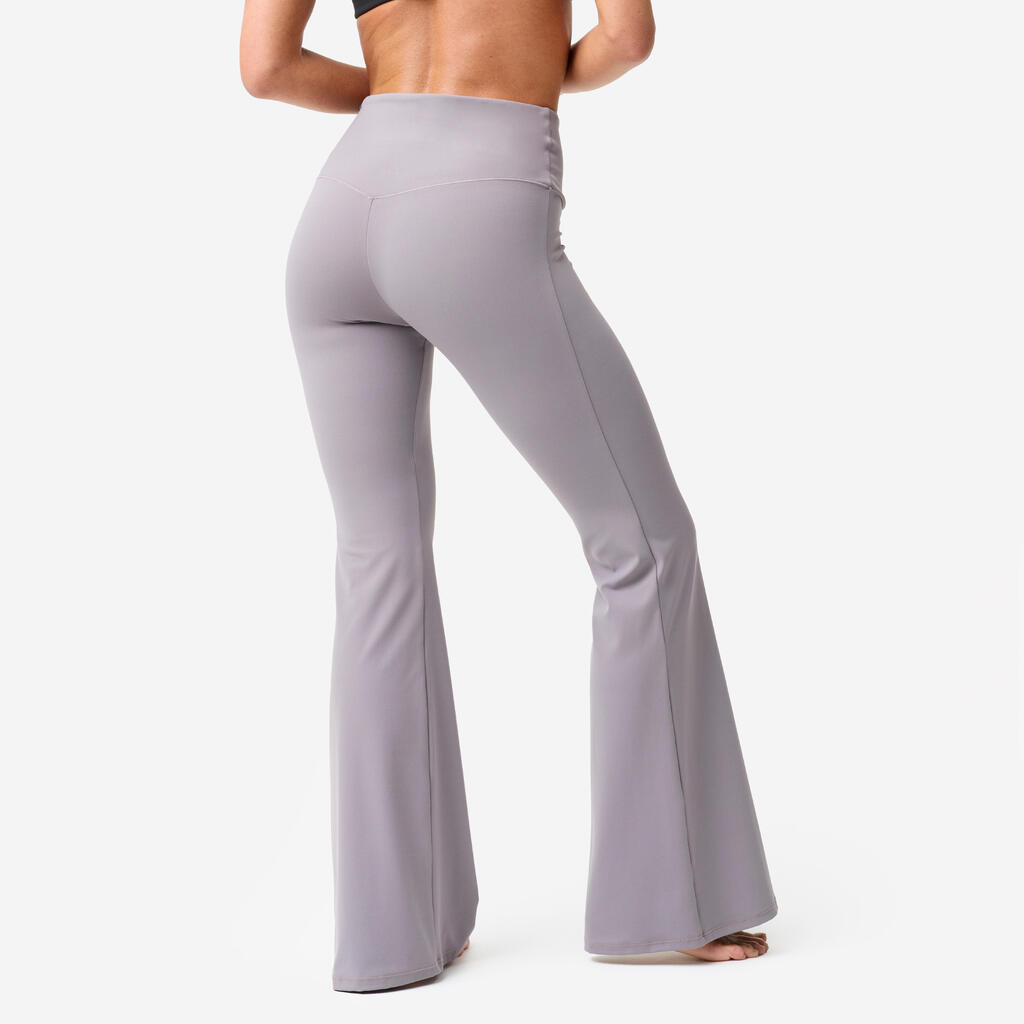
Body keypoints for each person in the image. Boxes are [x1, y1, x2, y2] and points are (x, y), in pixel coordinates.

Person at [239, 0, 776, 993]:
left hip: (340, 210)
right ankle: (666, 906)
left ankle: (393, 940)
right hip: (476, 196)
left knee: (377, 563)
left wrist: (397, 98)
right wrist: (518, 75)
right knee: (642, 544)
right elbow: (625, 41)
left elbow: (265, 70)